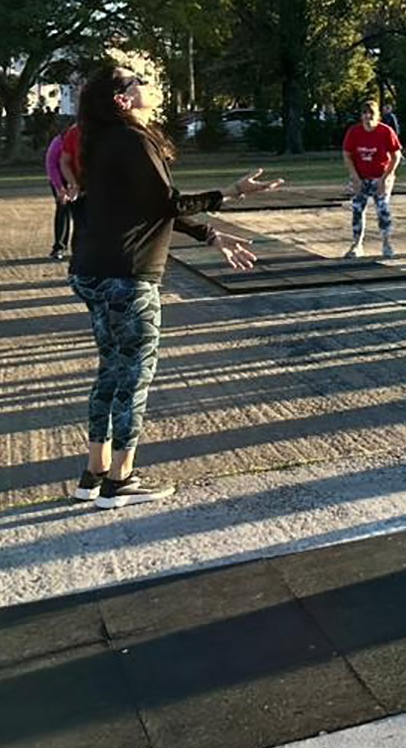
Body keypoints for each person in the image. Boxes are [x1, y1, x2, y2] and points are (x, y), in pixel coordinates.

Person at [68, 64, 280, 507]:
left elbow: (150, 208)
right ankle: (120, 480)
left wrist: (211, 235)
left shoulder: (105, 141)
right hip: (127, 278)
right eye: (136, 81)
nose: (146, 85)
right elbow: (168, 203)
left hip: (92, 272)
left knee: (110, 371)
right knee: (134, 377)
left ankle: (93, 474)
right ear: (122, 100)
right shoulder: (132, 140)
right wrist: (230, 193)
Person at [341, 101, 401, 259]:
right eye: (365, 113)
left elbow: (396, 156)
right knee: (357, 209)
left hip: (380, 175)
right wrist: (355, 177)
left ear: (377, 116)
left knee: (383, 210)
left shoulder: (385, 131)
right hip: (360, 176)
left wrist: (385, 178)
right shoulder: (354, 132)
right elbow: (347, 155)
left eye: (371, 114)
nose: (368, 117)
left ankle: (387, 243)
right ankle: (356, 244)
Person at [45, 129, 76, 260]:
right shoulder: (58, 142)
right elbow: (51, 165)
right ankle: (59, 247)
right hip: (59, 178)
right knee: (63, 209)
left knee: (81, 213)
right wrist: (60, 188)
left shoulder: (84, 139)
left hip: (77, 177)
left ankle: (81, 249)